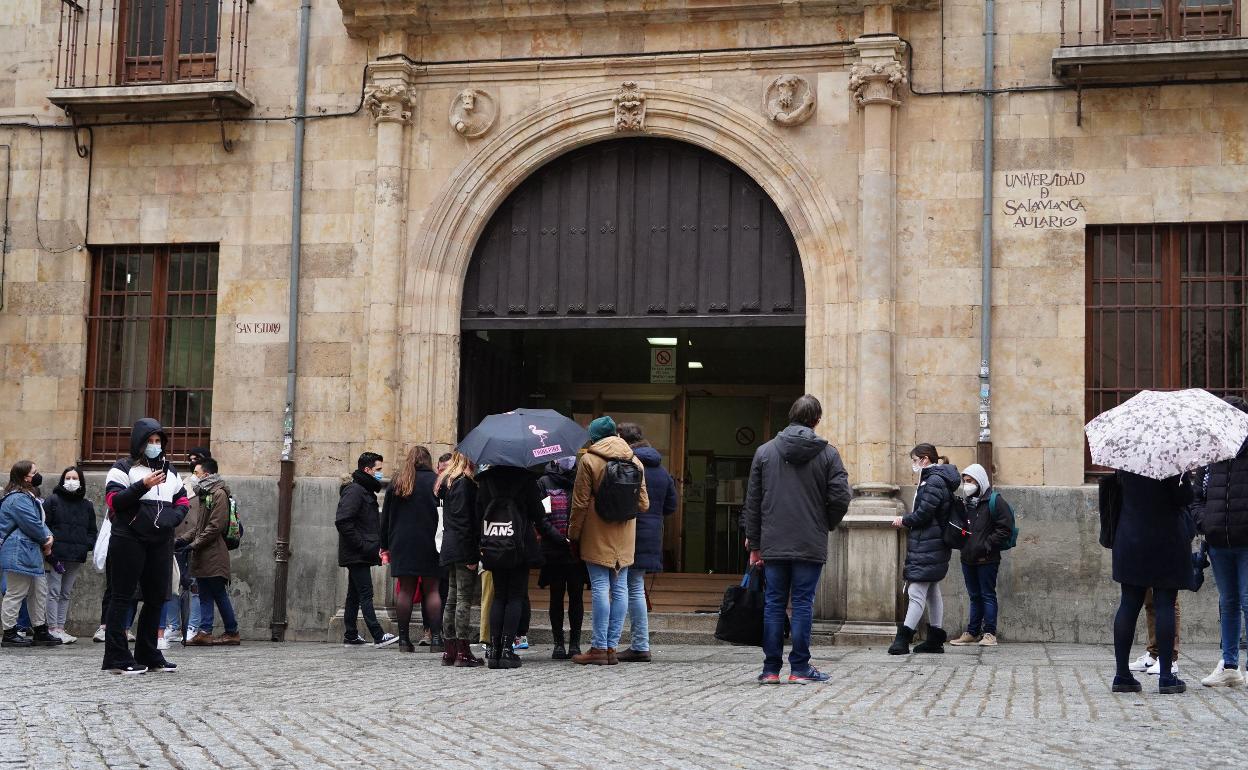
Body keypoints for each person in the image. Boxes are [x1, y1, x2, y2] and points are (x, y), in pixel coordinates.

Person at [742, 395, 851, 684]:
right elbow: (841, 497)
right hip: (809, 540)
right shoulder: (828, 454)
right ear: (817, 420)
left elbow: (753, 502)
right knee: (802, 603)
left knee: (774, 603)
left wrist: (755, 543)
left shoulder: (764, 452)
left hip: (773, 540)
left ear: (790, 416)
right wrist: (825, 522)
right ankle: (800, 668)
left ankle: (771, 670)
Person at [103, 418, 191, 674]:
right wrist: (142, 486)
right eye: (149, 441)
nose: (154, 445)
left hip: (160, 540)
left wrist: (171, 519)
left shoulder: (170, 471)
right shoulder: (122, 468)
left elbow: (182, 500)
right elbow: (114, 501)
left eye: (158, 441)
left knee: (156, 598)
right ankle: (117, 657)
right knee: (122, 596)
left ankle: (148, 653)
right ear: (139, 443)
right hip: (128, 538)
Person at [570, 416, 650, 666]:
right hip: (625, 533)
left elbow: (580, 503)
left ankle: (598, 647)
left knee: (600, 588)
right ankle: (612, 647)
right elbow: (644, 504)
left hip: (596, 531)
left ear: (594, 437)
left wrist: (574, 534)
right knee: (621, 588)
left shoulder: (589, 460)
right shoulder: (635, 460)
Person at [1109, 470, 1192, 695]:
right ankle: (1166, 676)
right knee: (1165, 604)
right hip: (1166, 539)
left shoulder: (1126, 461)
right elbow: (1185, 497)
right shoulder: (1170, 461)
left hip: (1130, 538)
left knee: (1128, 604)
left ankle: (1121, 675)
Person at [476, 464, 567, 670]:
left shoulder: (486, 480)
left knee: (499, 596)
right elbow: (539, 516)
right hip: (520, 546)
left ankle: (495, 650)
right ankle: (507, 650)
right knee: (515, 597)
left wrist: (478, 545)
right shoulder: (526, 479)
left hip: (494, 544)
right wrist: (559, 539)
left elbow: (478, 515)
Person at [616, 422, 678, 663]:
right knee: (636, 587)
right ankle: (640, 644)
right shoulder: (661, 470)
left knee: (622, 587)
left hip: (628, 530)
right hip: (651, 534)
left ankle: (617, 644)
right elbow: (671, 506)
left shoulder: (628, 465)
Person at [889, 444, 958, 656]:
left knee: (916, 591)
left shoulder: (933, 480)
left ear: (925, 459)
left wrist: (904, 520)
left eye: (914, 460)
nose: (913, 464)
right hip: (932, 543)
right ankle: (935, 640)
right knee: (932, 591)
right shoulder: (935, 479)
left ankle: (903, 639)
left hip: (929, 543)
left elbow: (924, 513)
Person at [1199, 395, 1248, 688]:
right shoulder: (1212, 454)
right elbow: (1197, 495)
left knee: (1247, 600)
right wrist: (1205, 522)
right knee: (1227, 603)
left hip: (1246, 542)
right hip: (1218, 541)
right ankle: (1229, 665)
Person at [382, 445, 443, 653]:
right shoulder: (437, 481)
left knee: (405, 590)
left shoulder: (398, 482)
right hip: (430, 541)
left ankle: (404, 640)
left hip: (402, 542)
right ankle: (436, 639)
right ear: (428, 461)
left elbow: (386, 517)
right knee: (432, 589)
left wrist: (384, 545)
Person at [336, 452, 398, 648]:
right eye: (378, 470)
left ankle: (351, 634)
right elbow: (343, 521)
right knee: (366, 593)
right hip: (357, 553)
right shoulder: (355, 491)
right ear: (367, 470)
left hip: (360, 552)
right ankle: (378, 635)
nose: (380, 473)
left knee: (354, 594)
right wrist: (362, 545)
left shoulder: (363, 490)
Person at [948, 464, 1013, 647]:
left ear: (980, 481)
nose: (967, 485)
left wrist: (987, 544)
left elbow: (1005, 528)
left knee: (987, 595)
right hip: (967, 557)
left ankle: (990, 633)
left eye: (970, 481)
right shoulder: (965, 503)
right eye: (965, 481)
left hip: (987, 558)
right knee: (974, 596)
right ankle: (972, 632)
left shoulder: (995, 501)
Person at [1, 461, 61, 648]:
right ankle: (9, 633)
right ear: (24, 477)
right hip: (19, 551)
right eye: (34, 472)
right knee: (15, 592)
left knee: (39, 592)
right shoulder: (17, 498)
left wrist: (48, 536)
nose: (37, 475)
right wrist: (46, 539)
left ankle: (40, 630)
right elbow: (31, 523)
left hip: (29, 551)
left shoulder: (26, 496)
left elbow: (38, 522)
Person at [185, 458, 240, 647]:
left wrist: (194, 544)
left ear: (206, 475)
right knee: (204, 593)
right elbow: (200, 527)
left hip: (214, 553)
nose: (194, 476)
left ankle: (232, 631)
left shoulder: (218, 494)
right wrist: (183, 540)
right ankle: (205, 631)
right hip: (203, 553)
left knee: (217, 592)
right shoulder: (205, 493)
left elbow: (216, 526)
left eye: (196, 473)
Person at [436, 451, 482, 668]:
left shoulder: (449, 483)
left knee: (452, 598)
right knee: (462, 598)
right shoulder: (465, 484)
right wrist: (472, 554)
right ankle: (462, 651)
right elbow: (466, 522)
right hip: (462, 546)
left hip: (450, 544)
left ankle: (450, 650)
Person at [538, 456, 586, 659]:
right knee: (556, 596)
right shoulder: (544, 482)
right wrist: (558, 538)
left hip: (577, 550)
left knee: (576, 597)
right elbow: (541, 516)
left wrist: (575, 536)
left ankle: (575, 643)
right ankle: (558, 643)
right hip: (554, 549)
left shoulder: (581, 479)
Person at [43, 466, 97, 644]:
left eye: (75, 478)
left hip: (75, 556)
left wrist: (86, 546)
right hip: (55, 555)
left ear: (81, 482)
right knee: (53, 591)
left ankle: (60, 627)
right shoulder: (52, 501)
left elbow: (92, 530)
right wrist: (48, 547)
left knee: (65, 593)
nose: (71, 481)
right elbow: (43, 526)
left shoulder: (87, 505)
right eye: (68, 478)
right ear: (62, 480)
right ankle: (52, 628)